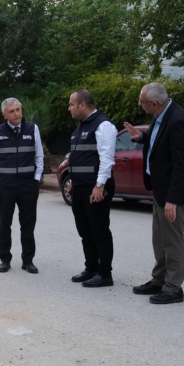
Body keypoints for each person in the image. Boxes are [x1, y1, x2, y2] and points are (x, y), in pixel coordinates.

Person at [123, 83, 184, 304]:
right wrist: (140, 137)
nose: (140, 105)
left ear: (154, 103)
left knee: (173, 240)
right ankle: (159, 279)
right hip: (159, 189)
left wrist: (172, 201)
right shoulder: (160, 116)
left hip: (172, 193)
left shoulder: (178, 120)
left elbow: (181, 164)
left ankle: (173, 287)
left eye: (142, 102)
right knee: (159, 239)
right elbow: (160, 146)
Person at [0, 98, 44, 274]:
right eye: (11, 111)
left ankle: (28, 261)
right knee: (5, 224)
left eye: (18, 109)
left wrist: (36, 179)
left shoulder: (32, 129)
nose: (16, 113)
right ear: (5, 114)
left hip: (28, 186)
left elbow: (39, 157)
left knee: (28, 224)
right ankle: (5, 259)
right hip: (6, 186)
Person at [66, 90, 117, 288]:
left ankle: (105, 274)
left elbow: (106, 158)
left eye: (71, 104)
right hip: (79, 187)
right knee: (85, 231)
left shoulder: (103, 125)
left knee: (99, 231)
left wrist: (100, 185)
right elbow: (78, 159)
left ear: (82, 105)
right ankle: (91, 268)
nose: (69, 108)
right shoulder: (79, 128)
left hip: (95, 188)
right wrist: (73, 182)